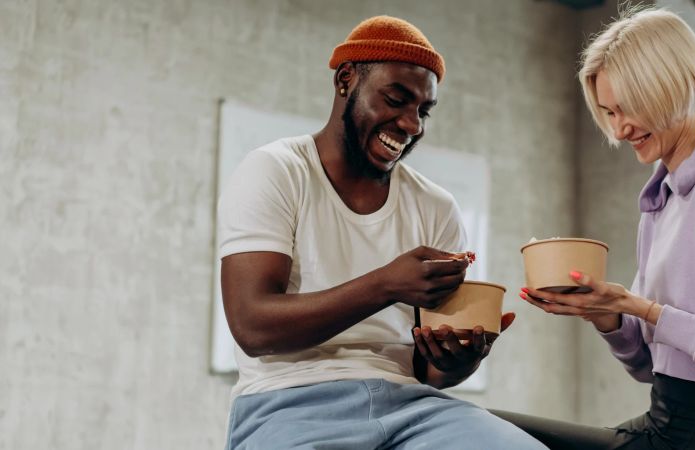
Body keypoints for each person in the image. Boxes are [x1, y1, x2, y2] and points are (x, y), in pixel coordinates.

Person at [218, 15, 546, 450]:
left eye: (423, 111)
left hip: (411, 406)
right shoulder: (276, 171)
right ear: (345, 80)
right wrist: (386, 284)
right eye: (396, 99)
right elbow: (252, 326)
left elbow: (431, 373)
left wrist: (459, 359)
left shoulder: (436, 207)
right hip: (287, 404)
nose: (412, 125)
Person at [519, 8, 695, 450]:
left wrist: (646, 309)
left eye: (629, 108)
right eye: (608, 112)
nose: (619, 128)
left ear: (671, 86)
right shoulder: (661, 197)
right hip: (666, 421)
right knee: (485, 429)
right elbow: (647, 363)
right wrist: (606, 313)